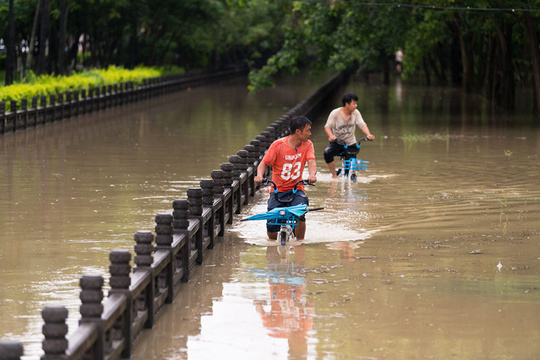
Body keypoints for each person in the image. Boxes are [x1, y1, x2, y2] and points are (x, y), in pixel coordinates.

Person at [254, 115, 317, 240]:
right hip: (277, 190)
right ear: (298, 132)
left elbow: (312, 162)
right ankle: (272, 246)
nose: (310, 133)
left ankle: (300, 244)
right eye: (308, 130)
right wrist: (259, 176)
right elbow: (263, 163)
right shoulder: (278, 145)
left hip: (296, 189)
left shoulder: (308, 144)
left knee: (300, 214)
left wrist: (312, 175)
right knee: (271, 224)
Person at [323, 92, 375, 178]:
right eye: (354, 103)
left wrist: (368, 134)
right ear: (347, 104)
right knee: (327, 153)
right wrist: (331, 136)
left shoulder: (356, 113)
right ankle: (334, 174)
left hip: (350, 144)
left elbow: (362, 124)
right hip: (337, 142)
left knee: (349, 171)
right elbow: (327, 126)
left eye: (356, 103)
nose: (356, 105)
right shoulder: (335, 113)